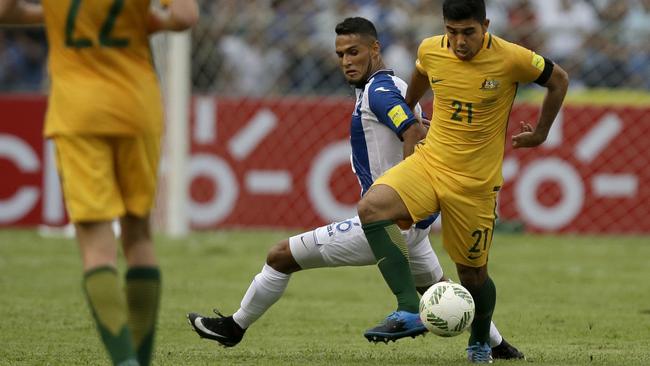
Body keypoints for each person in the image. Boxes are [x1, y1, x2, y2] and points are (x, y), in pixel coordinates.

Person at [187, 16, 523, 360]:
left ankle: (234, 327)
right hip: (412, 225)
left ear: (375, 49)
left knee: (280, 257)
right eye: (341, 54)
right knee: (439, 291)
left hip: (390, 221)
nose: (347, 61)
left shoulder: (378, 91)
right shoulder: (390, 86)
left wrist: (406, 190)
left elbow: (412, 132)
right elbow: (422, 126)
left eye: (354, 52)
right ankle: (498, 346)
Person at [357, 1, 568, 364]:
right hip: (430, 162)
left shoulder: (512, 57)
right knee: (371, 209)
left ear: (485, 25)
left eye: (468, 32)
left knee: (472, 275)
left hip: (475, 184)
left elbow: (558, 80)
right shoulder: (430, 48)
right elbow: (422, 72)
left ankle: (481, 339)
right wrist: (407, 113)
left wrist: (541, 133)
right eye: (451, 32)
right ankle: (409, 307)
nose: (458, 41)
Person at [0, 1, 198, 365]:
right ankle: (140, 359)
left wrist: (50, 16)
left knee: (96, 248)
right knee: (138, 234)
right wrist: (152, 20)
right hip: (136, 106)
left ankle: (124, 361)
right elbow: (185, 18)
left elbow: (6, 10)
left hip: (78, 111)